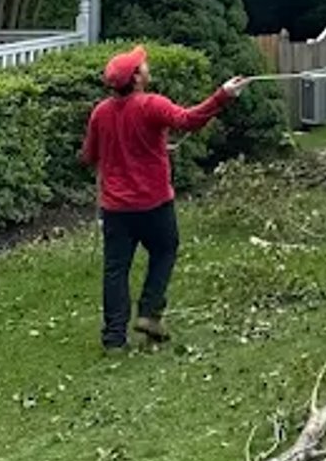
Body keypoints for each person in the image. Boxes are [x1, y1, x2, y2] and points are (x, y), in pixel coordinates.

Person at [82, 48, 249, 351]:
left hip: (116, 208)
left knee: (115, 269)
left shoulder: (101, 112)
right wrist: (223, 95)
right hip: (154, 203)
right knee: (165, 250)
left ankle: (114, 338)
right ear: (136, 78)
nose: (146, 66)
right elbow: (189, 120)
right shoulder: (151, 105)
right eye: (141, 65)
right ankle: (149, 313)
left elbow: (90, 155)